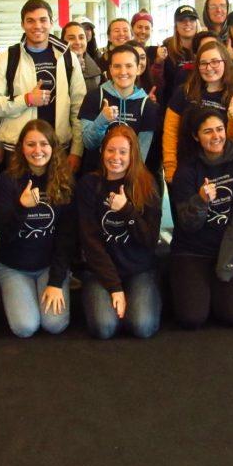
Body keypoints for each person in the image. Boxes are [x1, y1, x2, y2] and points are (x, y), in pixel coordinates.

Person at [169, 106, 233, 328]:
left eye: (220, 129)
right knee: (192, 318)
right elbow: (187, 225)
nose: (216, 136)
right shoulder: (187, 170)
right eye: (208, 131)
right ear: (195, 136)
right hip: (193, 249)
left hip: (231, 249)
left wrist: (225, 263)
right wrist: (200, 202)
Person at [75, 125, 162, 339]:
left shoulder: (147, 184)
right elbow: (90, 242)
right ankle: (117, 300)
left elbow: (149, 240)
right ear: (102, 152)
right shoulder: (88, 184)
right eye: (110, 150)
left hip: (138, 269)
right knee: (104, 328)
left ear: (132, 154)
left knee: (142, 327)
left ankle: (147, 297)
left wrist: (126, 210)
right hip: (100, 271)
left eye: (123, 152)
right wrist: (114, 287)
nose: (116, 157)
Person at [0, 0, 86, 171]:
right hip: (17, 150)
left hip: (58, 148)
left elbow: (78, 107)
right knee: (16, 198)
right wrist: (27, 99)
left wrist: (77, 150)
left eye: (43, 20)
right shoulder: (8, 58)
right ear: (22, 24)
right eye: (30, 20)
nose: (37, 26)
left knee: (57, 198)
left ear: (51, 23)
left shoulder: (67, 57)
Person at [0, 120, 76, 338]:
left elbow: (66, 238)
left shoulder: (64, 180)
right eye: (31, 144)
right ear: (21, 147)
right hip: (15, 266)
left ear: (53, 147)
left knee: (54, 325)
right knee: (25, 327)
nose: (37, 150)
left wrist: (56, 282)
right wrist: (22, 207)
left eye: (43, 144)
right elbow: (5, 233)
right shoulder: (6, 180)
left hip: (49, 265)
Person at [162, 41, 233, 182]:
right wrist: (170, 167)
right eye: (203, 63)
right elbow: (170, 132)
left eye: (215, 62)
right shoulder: (184, 91)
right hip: (187, 169)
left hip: (222, 170)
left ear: (225, 63)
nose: (209, 68)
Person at [79, 44, 161, 177]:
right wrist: (102, 120)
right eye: (117, 66)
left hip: (129, 179)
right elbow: (89, 143)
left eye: (129, 66)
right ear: (110, 69)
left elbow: (141, 154)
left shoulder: (148, 106)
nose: (123, 72)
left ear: (138, 69)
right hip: (95, 175)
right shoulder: (94, 97)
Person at [160, 5, 199, 102]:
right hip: (173, 105)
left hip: (199, 104)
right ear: (176, 26)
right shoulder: (166, 50)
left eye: (192, 20)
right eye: (182, 20)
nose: (187, 23)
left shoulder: (204, 48)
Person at [62, 21, 102, 104]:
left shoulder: (97, 71)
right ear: (62, 41)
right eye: (71, 38)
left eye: (81, 37)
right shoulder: (55, 68)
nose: (77, 42)